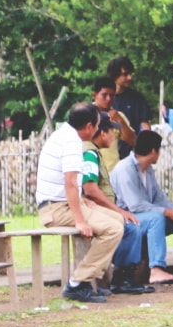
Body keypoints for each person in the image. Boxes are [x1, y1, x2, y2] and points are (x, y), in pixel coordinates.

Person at [35, 103, 125, 303]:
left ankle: (88, 279)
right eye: (98, 125)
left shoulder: (66, 135)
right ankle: (77, 283)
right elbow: (70, 184)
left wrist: (82, 202)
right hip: (55, 209)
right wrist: (80, 220)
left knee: (117, 219)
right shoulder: (71, 143)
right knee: (113, 229)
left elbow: (69, 185)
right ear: (88, 126)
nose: (98, 129)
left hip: (61, 203)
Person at [111, 130, 173, 282]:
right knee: (157, 217)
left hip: (144, 218)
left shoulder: (148, 169)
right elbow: (135, 205)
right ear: (153, 151)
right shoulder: (124, 168)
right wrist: (167, 212)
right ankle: (156, 270)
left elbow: (159, 197)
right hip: (125, 219)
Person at [81, 114, 153, 296]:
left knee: (130, 225)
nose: (114, 138)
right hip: (95, 210)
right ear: (102, 133)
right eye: (112, 132)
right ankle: (121, 278)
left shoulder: (93, 151)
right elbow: (90, 188)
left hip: (99, 209)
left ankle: (120, 277)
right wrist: (118, 211)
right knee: (131, 227)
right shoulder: (89, 153)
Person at [107, 56, 152, 158]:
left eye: (130, 74)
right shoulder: (103, 100)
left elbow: (146, 128)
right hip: (107, 160)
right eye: (125, 74)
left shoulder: (137, 98)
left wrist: (147, 148)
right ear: (114, 75)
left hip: (131, 157)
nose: (130, 77)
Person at [92, 75, 136, 152]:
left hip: (114, 164)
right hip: (91, 161)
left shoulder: (118, 116)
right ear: (95, 95)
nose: (108, 99)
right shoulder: (85, 114)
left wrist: (120, 121)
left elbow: (133, 142)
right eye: (104, 95)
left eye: (112, 95)